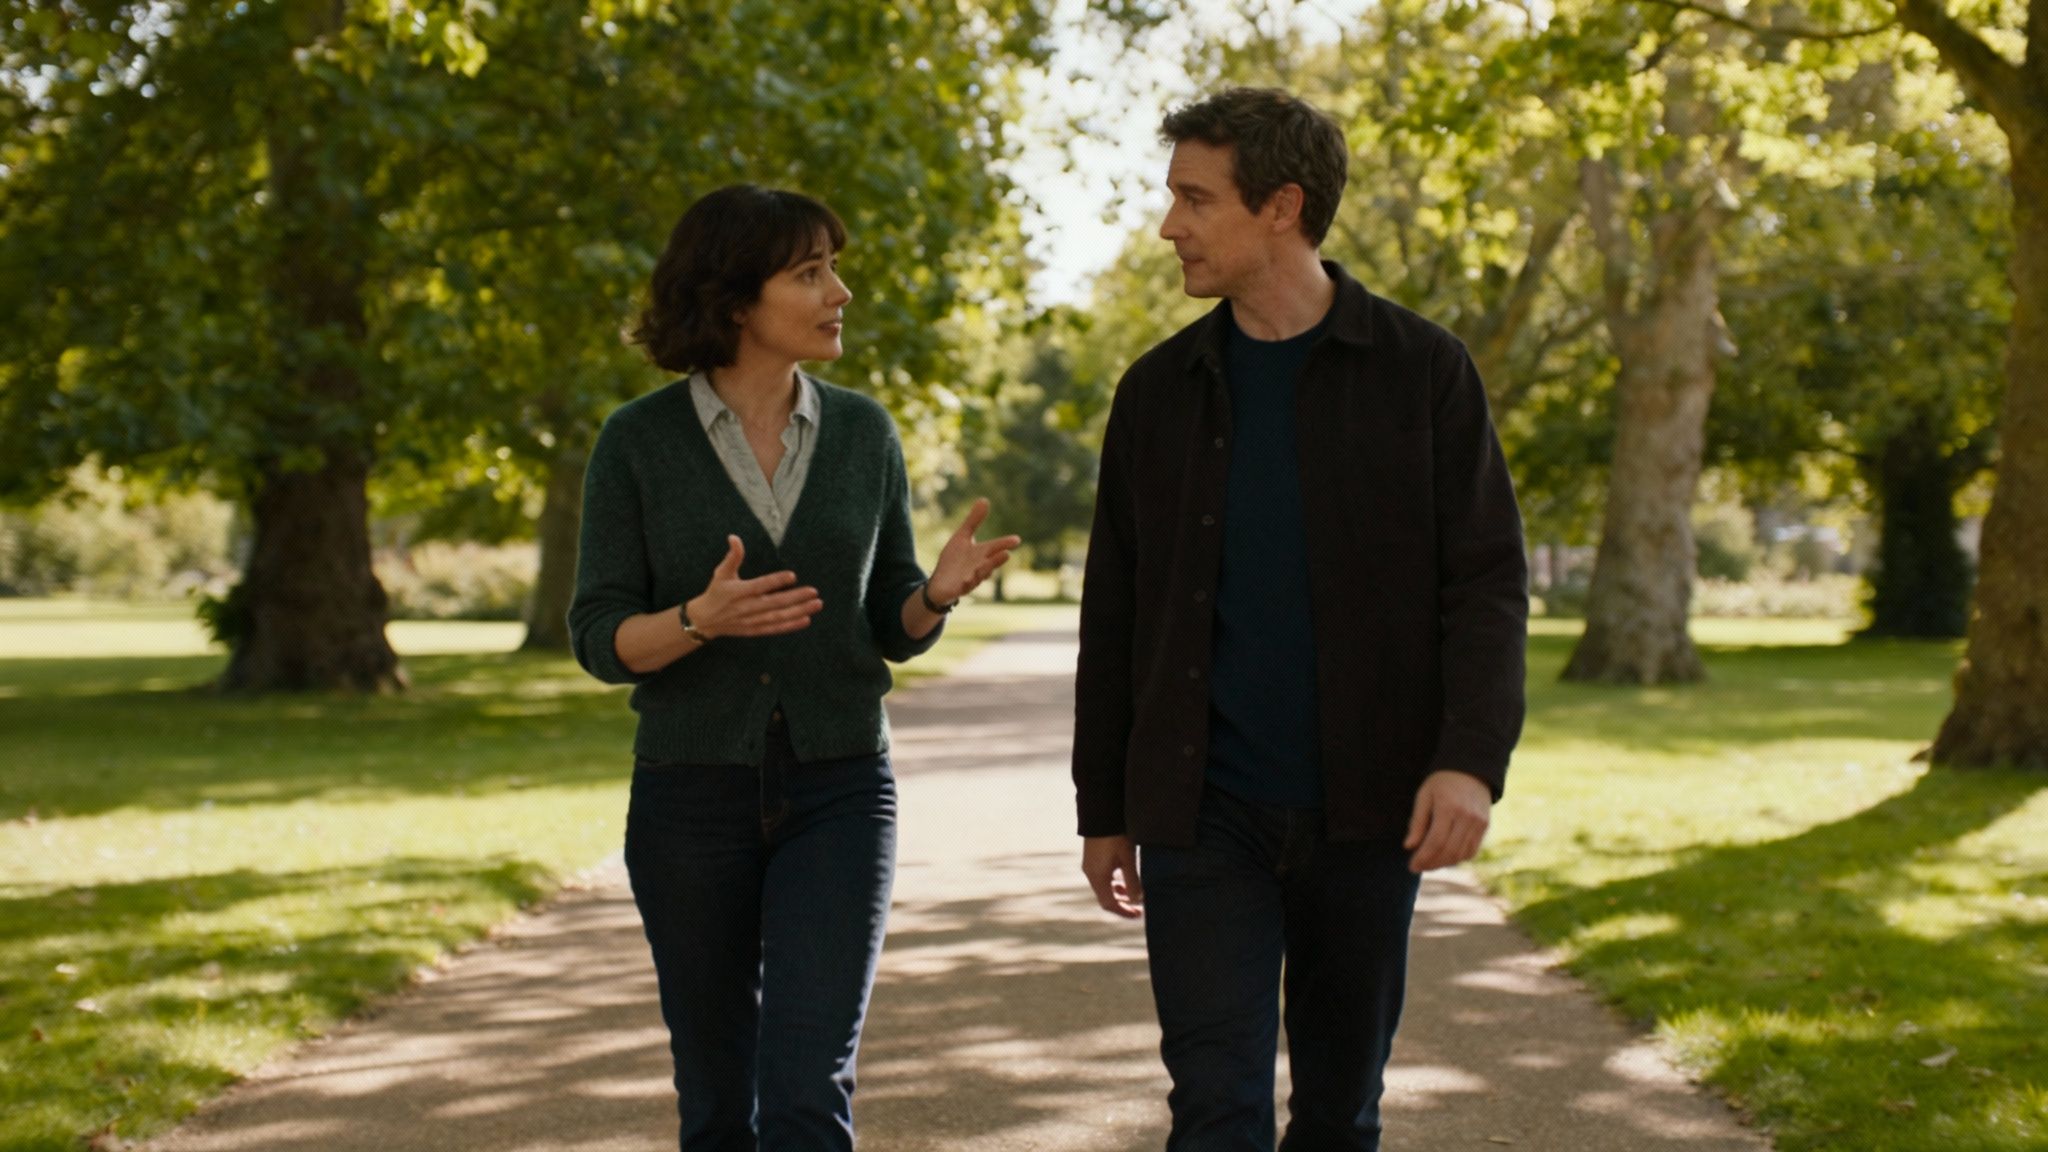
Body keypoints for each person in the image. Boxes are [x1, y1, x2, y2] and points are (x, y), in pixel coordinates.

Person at [1071, 89, 1529, 1151]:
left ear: (1281, 206)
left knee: (1336, 1110)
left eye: (1194, 198)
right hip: (1203, 813)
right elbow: (1118, 613)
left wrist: (1468, 760)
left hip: (1367, 813)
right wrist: (1105, 805)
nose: (1167, 225)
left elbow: (1486, 583)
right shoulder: (1156, 392)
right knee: (1215, 1109)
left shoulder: (1423, 370)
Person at [569, 183, 1018, 1152]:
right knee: (719, 1098)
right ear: (734, 300)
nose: (838, 292)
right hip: (689, 796)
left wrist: (932, 594)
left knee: (808, 1086)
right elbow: (598, 636)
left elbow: (889, 625)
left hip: (841, 789)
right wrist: (698, 619)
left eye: (833, 270)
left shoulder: (862, 434)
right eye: (809, 274)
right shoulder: (636, 443)